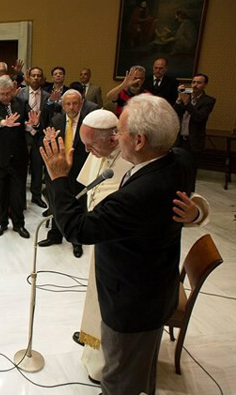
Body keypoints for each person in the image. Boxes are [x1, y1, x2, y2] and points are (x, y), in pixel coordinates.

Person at [40, 94, 194, 395]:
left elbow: (78, 229)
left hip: (131, 303)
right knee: (131, 368)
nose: (115, 137)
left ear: (139, 140)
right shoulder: (180, 159)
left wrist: (58, 179)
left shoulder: (138, 196)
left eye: (119, 132)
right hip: (154, 285)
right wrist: (197, 211)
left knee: (118, 381)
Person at [73, 109, 210, 384]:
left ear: (129, 140)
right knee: (96, 304)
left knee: (117, 346)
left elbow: (190, 202)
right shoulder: (127, 155)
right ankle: (96, 349)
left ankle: (110, 368)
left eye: (118, 134)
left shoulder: (147, 167)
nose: (87, 151)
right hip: (110, 251)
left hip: (132, 279)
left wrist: (197, 214)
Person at [0, 76, 38, 238]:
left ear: (13, 91)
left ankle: (19, 224)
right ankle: (2, 222)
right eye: (2, 94)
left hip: (18, 157)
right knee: (0, 193)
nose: (6, 97)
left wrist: (33, 123)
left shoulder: (20, 103)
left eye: (8, 93)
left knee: (18, 193)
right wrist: (3, 122)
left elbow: (29, 120)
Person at [38, 89, 90, 258]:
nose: (71, 107)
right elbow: (45, 143)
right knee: (56, 201)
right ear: (62, 104)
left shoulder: (87, 122)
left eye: (75, 103)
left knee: (78, 202)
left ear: (81, 103)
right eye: (68, 103)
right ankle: (55, 235)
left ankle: (77, 240)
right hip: (59, 168)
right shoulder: (56, 120)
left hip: (79, 168)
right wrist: (48, 140)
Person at [173, 73, 216, 191]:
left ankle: (189, 196)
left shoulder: (208, 101)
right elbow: (174, 114)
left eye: (199, 83)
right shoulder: (185, 97)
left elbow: (199, 117)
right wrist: (178, 100)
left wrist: (187, 103)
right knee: (176, 170)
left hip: (194, 142)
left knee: (190, 172)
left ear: (205, 85)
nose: (195, 85)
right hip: (180, 140)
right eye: (193, 82)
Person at [17, 66, 50, 208]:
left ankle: (36, 196)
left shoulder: (48, 97)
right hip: (23, 135)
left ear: (42, 79)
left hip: (39, 136)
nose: (36, 78)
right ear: (28, 78)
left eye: (39, 76)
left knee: (38, 167)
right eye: (33, 75)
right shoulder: (19, 94)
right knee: (21, 168)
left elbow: (49, 118)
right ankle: (20, 198)